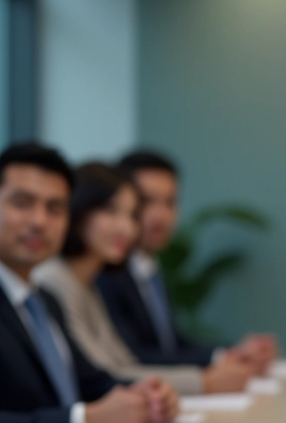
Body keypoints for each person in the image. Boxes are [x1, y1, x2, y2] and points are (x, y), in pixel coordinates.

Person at [0, 144, 178, 423]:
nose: (40, 221)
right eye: (22, 203)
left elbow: (90, 381)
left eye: (55, 208)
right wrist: (83, 418)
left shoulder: (43, 300)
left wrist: (145, 392)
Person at [33, 162, 254, 395]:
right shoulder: (53, 282)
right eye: (111, 211)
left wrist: (204, 378)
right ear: (79, 210)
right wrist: (203, 382)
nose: (126, 228)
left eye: (131, 216)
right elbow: (98, 379)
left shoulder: (87, 285)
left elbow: (124, 364)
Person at [97, 150, 276, 372]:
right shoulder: (106, 274)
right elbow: (132, 357)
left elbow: (173, 344)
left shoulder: (150, 269)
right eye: (147, 201)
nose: (160, 215)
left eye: (170, 202)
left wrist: (231, 353)